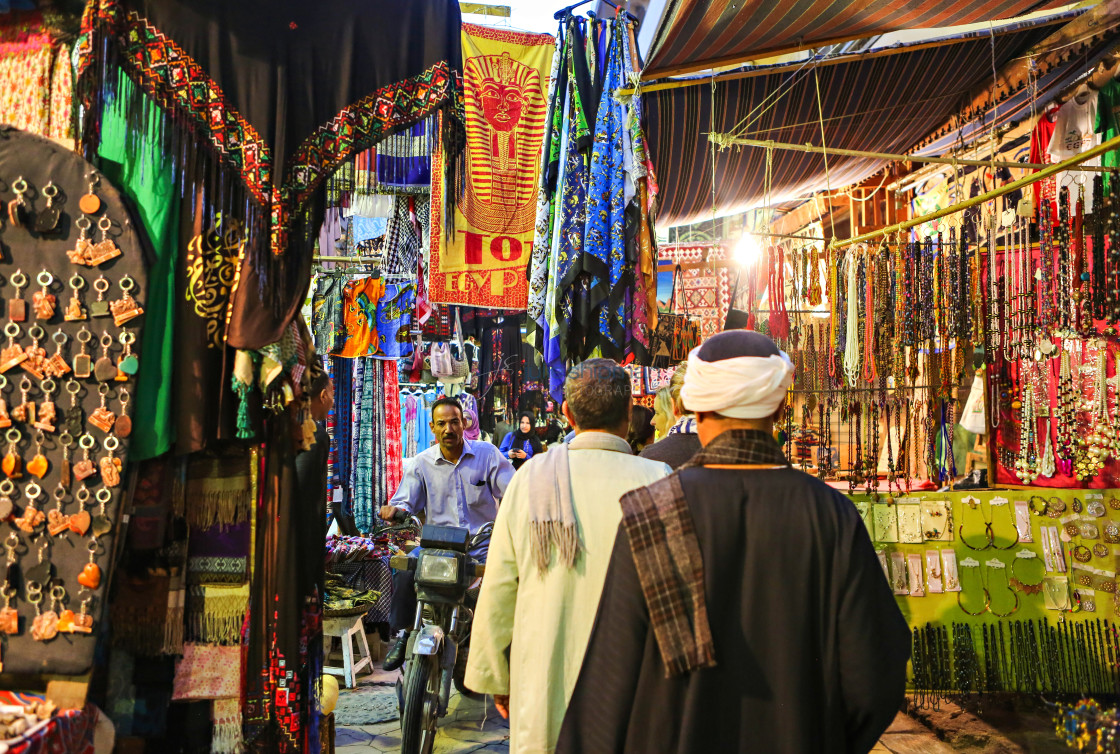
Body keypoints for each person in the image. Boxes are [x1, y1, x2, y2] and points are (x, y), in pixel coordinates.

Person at [556, 331, 910, 754]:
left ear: (692, 407)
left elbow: (608, 683)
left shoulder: (655, 509)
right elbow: (876, 675)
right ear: (780, 408)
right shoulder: (831, 516)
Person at [466, 359, 671, 754]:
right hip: (633, 685)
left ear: (566, 414)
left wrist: (497, 676)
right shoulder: (659, 479)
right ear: (630, 413)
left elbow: (500, 586)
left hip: (545, 677)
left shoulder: (532, 477)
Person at [379, 396, 515, 671]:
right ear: (432, 427)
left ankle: (503, 650)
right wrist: (395, 510)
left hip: (480, 546)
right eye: (442, 423)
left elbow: (511, 489)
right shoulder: (421, 463)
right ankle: (406, 632)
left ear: (464, 423)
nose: (448, 429)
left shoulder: (486, 454)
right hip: (438, 546)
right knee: (408, 566)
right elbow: (405, 500)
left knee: (506, 585)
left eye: (454, 422)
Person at [640, 361, 702, 469]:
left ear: (674, 407)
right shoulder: (732, 449)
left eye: (658, 413)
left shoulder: (651, 457)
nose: (652, 421)